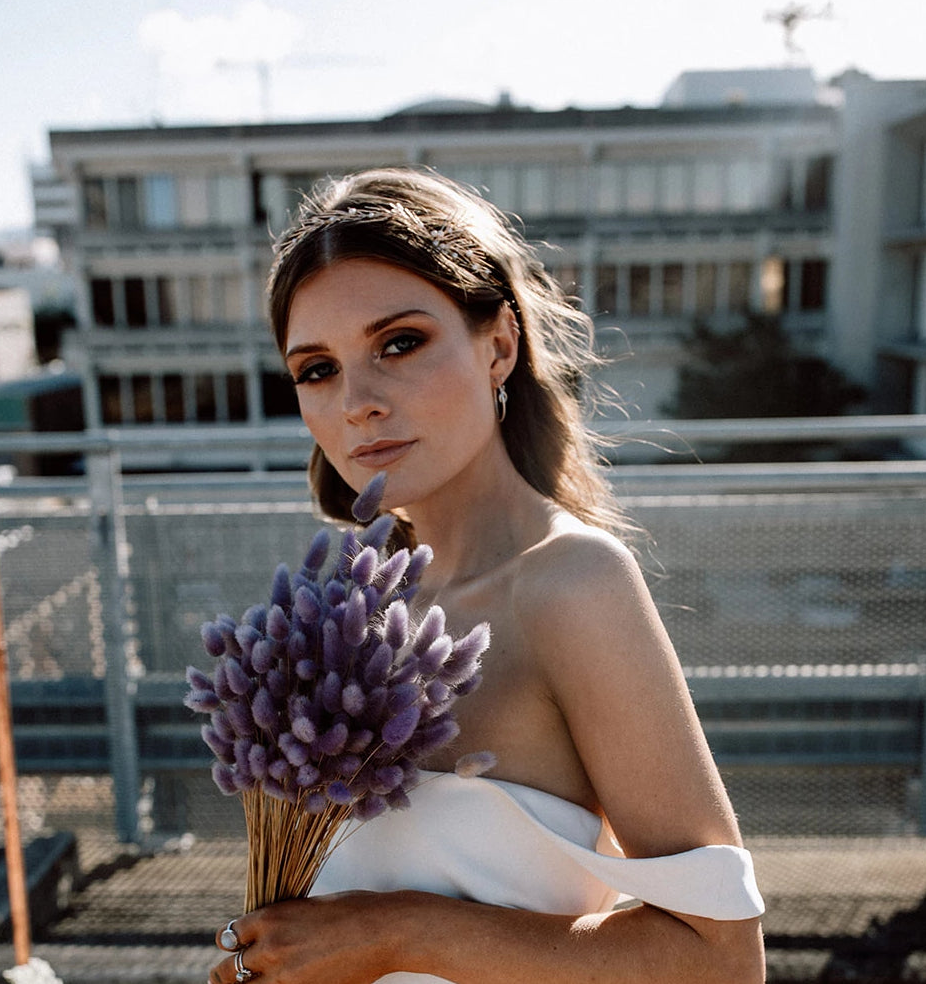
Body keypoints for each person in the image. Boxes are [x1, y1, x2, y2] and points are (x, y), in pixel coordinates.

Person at [208, 168, 765, 984]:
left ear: (499, 344)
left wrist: (398, 934)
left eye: (399, 343)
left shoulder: (570, 585)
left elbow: (721, 961)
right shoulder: (351, 613)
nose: (357, 400)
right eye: (317, 369)